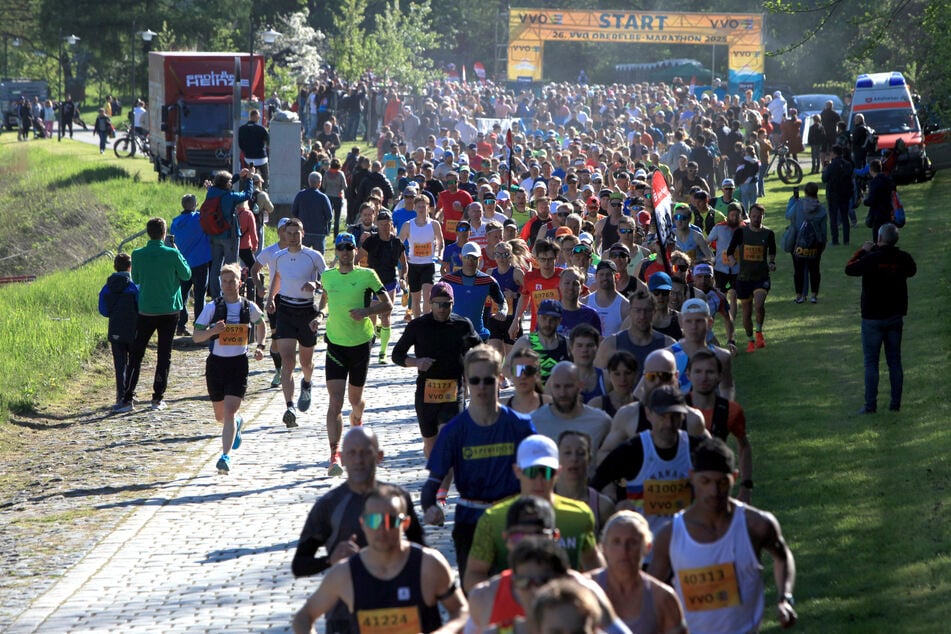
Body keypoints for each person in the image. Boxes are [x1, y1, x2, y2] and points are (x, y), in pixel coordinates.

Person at [648, 438, 798, 633]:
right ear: (692, 477)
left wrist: (785, 598)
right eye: (705, 481)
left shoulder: (756, 525)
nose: (714, 491)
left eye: (722, 482)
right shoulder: (670, 536)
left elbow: (783, 557)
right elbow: (649, 592)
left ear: (734, 478)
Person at [292, 428, 425, 634]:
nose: (359, 460)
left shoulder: (398, 499)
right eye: (352, 453)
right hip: (344, 617)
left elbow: (423, 552)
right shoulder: (328, 505)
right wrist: (329, 560)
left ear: (378, 456)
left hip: (396, 612)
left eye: (365, 452)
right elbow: (299, 565)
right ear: (342, 459)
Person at [420, 345, 536, 578]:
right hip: (470, 521)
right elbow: (432, 484)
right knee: (476, 596)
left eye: (488, 380)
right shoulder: (454, 431)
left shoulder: (521, 426)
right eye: (474, 380)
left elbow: (539, 477)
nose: (481, 387)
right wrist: (430, 508)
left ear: (499, 379)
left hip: (513, 521)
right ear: (466, 380)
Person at [292, 485, 468, 634]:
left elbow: (462, 611)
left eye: (391, 521)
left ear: (405, 524)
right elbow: (303, 618)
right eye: (374, 521)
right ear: (363, 524)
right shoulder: (345, 573)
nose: (382, 529)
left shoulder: (428, 564)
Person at [464, 434, 603, 593]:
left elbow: (594, 566)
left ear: (557, 472)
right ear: (517, 471)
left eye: (546, 472)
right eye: (531, 472)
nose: (539, 480)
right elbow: (474, 574)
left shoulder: (580, 515)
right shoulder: (493, 518)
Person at [592, 386, 703, 564]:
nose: (669, 423)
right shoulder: (632, 451)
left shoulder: (697, 449)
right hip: (644, 556)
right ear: (648, 414)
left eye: (675, 416)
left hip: (687, 553)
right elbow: (595, 485)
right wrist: (614, 505)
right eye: (662, 416)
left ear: (684, 416)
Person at [316, 232, 393, 475]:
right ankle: (334, 455)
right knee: (335, 402)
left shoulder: (367, 275)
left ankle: (357, 418)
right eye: (341, 248)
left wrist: (366, 310)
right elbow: (325, 299)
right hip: (336, 345)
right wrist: (319, 314)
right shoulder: (327, 277)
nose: (346, 252)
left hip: (360, 344)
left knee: (354, 401)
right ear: (336, 252)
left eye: (350, 248)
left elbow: (388, 304)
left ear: (355, 251)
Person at [191, 263, 267, 475]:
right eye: (224, 282)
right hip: (216, 365)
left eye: (231, 281)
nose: (228, 285)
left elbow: (261, 324)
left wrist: (260, 346)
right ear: (220, 285)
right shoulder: (213, 307)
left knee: (230, 411)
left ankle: (225, 457)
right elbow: (196, 336)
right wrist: (213, 331)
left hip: (238, 364)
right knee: (220, 416)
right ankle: (237, 422)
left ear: (239, 283)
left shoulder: (248, 307)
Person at [392, 282, 482, 457]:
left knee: (449, 439)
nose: (442, 309)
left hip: (454, 391)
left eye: (446, 304)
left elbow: (481, 350)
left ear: (452, 303)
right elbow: (397, 355)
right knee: (431, 447)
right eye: (438, 304)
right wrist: (416, 362)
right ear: (430, 303)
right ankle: (438, 479)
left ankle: (444, 482)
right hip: (426, 393)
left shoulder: (462, 325)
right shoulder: (418, 326)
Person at [117, 217, 192, 412]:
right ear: (164, 233)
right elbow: (186, 275)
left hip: (146, 310)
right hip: (170, 309)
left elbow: (138, 278)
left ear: (148, 232)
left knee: (136, 353)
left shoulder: (138, 254)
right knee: (164, 354)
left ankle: (128, 397)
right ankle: (157, 398)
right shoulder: (172, 253)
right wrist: (176, 250)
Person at [845, 223, 917, 414]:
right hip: (894, 315)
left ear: (879, 238)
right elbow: (912, 270)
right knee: (894, 361)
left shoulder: (871, 258)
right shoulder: (903, 258)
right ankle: (895, 404)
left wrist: (862, 250)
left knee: (871, 362)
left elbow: (849, 268)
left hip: (872, 317)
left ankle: (870, 405)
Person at [264, 218, 327, 429]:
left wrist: (316, 284)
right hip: (286, 311)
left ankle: (307, 383)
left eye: (296, 232)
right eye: (288, 233)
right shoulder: (278, 256)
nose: (292, 236)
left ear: (303, 233)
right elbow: (278, 278)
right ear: (283, 234)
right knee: (288, 361)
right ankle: (289, 406)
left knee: (306, 364)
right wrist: (271, 298)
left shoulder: (313, 256)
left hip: (307, 311)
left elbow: (329, 281)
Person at [588, 511, 687, 634]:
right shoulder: (583, 591)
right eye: (616, 542)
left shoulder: (663, 598)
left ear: (647, 547)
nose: (624, 550)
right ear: (603, 547)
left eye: (632, 542)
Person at [685, 349, 753, 503]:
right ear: (688, 375)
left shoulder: (731, 411)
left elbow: (744, 446)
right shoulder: (676, 408)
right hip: (680, 487)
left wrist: (746, 487)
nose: (704, 378)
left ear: (720, 376)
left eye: (710, 372)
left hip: (716, 487)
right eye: (698, 372)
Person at [594, 290, 675, 386]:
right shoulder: (610, 345)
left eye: (647, 310)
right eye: (638, 310)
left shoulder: (668, 345)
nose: (642, 316)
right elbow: (597, 384)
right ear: (630, 311)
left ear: (654, 312)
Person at [726, 203, 777, 353]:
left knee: (759, 305)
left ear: (763, 216)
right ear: (749, 216)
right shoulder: (741, 232)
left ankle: (759, 331)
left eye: (759, 216)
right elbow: (730, 250)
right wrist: (732, 260)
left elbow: (772, 250)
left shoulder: (768, 233)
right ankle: (750, 340)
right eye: (753, 216)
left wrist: (772, 262)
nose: (756, 219)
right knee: (746, 314)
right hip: (744, 278)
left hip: (761, 277)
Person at [531, 360, 612, 454]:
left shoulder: (601, 422)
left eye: (568, 386)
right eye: (557, 386)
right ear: (550, 387)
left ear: (580, 386)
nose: (562, 393)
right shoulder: (534, 422)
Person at [358, 210, 406, 363]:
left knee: (386, 314)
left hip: (390, 282)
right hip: (372, 282)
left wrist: (403, 277)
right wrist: (358, 276)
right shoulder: (371, 241)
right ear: (377, 225)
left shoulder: (397, 242)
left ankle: (383, 352)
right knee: (372, 315)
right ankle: (373, 336)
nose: (385, 228)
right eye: (382, 225)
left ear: (392, 224)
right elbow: (357, 259)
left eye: (388, 225)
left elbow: (404, 264)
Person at [203, 168, 255, 301]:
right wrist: (249, 178)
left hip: (214, 235)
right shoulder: (230, 197)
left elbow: (222, 183)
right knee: (231, 265)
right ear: (227, 184)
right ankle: (230, 293)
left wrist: (239, 176)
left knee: (216, 267)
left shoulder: (211, 193)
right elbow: (247, 195)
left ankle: (216, 295)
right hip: (229, 236)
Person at [439, 242, 507, 342]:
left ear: (480, 259)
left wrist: (503, 311)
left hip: (479, 335)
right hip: (453, 334)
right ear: (461, 257)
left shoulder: (488, 281)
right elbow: (435, 303)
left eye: (474, 258)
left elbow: (502, 302)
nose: (470, 261)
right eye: (467, 257)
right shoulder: (448, 280)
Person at [251, 218, 291, 388]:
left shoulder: (299, 251)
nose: (286, 233)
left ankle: (290, 368)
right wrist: (260, 287)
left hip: (294, 298)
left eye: (289, 230)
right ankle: (279, 370)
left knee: (288, 338)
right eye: (283, 230)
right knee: (276, 339)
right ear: (278, 232)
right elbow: (254, 269)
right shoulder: (270, 251)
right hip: (275, 298)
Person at [98, 253, 139, 411]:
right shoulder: (133, 286)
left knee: (119, 364)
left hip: (115, 329)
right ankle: (130, 394)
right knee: (133, 363)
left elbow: (103, 310)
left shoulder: (107, 287)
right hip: (133, 329)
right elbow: (140, 305)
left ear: (115, 267)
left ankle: (120, 395)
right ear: (130, 267)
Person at [554, 431, 616, 533]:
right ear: (556, 458)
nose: (574, 459)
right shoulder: (543, 503)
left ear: (589, 459)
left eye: (581, 453)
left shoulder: (603, 506)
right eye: (567, 452)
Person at [169, 194, 211, 336]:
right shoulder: (199, 219)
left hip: (182, 263)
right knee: (200, 296)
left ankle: (181, 325)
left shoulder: (175, 222)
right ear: (195, 205)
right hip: (200, 262)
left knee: (182, 295)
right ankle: (199, 326)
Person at [399, 194, 444, 321]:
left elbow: (441, 241)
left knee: (428, 295)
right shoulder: (408, 225)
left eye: (423, 207)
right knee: (416, 299)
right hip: (413, 265)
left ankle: (427, 323)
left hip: (428, 264)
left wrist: (439, 254)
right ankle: (417, 324)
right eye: (418, 207)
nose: (421, 209)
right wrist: (402, 259)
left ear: (428, 208)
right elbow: (398, 243)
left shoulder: (434, 224)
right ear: (414, 208)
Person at [507, 299, 571, 386]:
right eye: (544, 318)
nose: (547, 323)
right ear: (537, 317)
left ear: (559, 320)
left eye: (552, 319)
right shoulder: (526, 342)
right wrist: (524, 374)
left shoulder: (567, 344)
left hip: (561, 396)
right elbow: (506, 368)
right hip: (533, 397)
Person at [510, 239, 564, 339]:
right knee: (536, 354)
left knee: (556, 355)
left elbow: (582, 296)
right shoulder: (530, 277)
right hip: (536, 331)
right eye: (543, 259)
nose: (546, 263)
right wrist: (516, 319)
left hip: (560, 331)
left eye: (550, 259)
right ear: (537, 260)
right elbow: (524, 297)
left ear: (556, 259)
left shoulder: (564, 276)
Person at [785, 182, 828, 304]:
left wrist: (792, 200)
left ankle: (800, 296)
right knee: (814, 269)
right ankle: (813, 295)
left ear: (805, 192)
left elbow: (788, 215)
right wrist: (822, 243)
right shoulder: (821, 209)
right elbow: (824, 230)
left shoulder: (798, 204)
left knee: (798, 270)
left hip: (798, 241)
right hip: (815, 243)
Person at [584, 261, 630, 338]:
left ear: (617, 277)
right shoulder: (585, 302)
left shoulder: (625, 306)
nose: (605, 278)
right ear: (596, 277)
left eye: (608, 274)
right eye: (601, 275)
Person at [587, 351, 638, 420]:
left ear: (635, 375)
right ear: (609, 375)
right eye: (617, 374)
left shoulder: (643, 407)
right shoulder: (596, 405)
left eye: (628, 373)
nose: (622, 379)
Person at [503, 348, 554, 415]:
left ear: (538, 373)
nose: (523, 376)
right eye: (518, 370)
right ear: (511, 373)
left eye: (529, 370)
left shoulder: (551, 406)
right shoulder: (501, 409)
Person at [293, 171, 334, 252]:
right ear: (319, 183)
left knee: (303, 255)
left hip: (303, 231)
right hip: (319, 232)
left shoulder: (300, 195)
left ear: (309, 181)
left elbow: (294, 212)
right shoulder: (323, 197)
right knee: (319, 258)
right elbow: (329, 216)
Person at [822, 144, 854, 246]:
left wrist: (825, 170)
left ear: (833, 153)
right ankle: (846, 240)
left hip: (833, 193)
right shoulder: (847, 164)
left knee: (834, 218)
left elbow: (825, 179)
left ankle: (835, 240)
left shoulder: (832, 166)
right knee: (845, 217)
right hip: (845, 193)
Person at [863, 159, 896, 242]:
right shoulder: (888, 179)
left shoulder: (874, 182)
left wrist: (865, 200)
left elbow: (871, 200)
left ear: (871, 170)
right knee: (888, 234)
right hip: (888, 210)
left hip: (878, 213)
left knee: (877, 237)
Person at [237, 109, 269, 190]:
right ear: (255, 116)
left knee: (246, 176)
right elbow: (269, 142)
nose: (260, 117)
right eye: (258, 116)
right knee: (265, 177)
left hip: (248, 158)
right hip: (262, 158)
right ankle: (264, 191)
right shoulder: (262, 129)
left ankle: (244, 191)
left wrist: (246, 151)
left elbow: (240, 144)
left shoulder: (241, 129)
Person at [323, 158, 349, 238]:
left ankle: (326, 232)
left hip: (328, 196)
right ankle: (335, 235)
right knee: (337, 218)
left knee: (328, 215)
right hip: (338, 196)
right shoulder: (340, 174)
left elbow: (323, 185)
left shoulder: (327, 173)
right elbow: (345, 186)